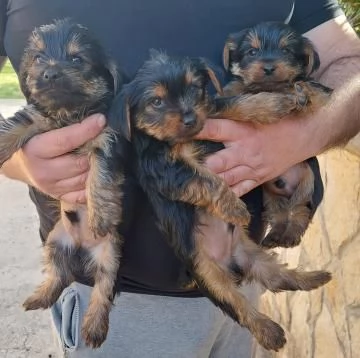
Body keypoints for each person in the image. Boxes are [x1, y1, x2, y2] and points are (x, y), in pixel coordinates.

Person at [1, 1, 360, 357]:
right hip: (114, 296)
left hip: (241, 266)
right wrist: (19, 161)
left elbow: (348, 61)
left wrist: (304, 134)